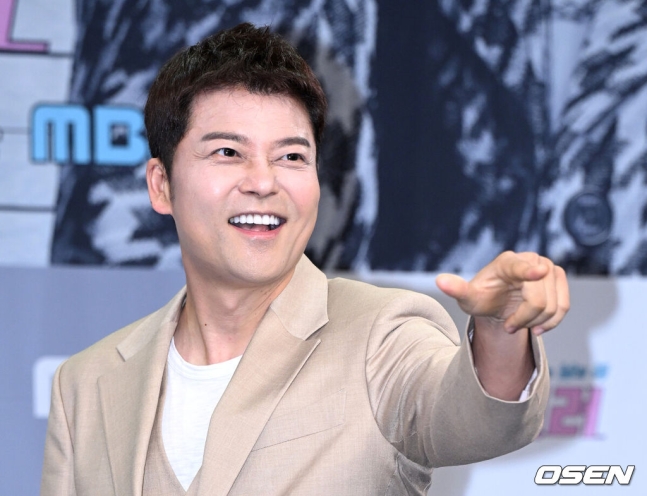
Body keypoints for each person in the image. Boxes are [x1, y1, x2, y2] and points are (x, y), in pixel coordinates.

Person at [41, 23, 569, 495]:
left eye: (291, 156)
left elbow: (477, 419)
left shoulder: (381, 336)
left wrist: (501, 332)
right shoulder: (85, 385)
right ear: (161, 185)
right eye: (228, 152)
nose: (263, 182)